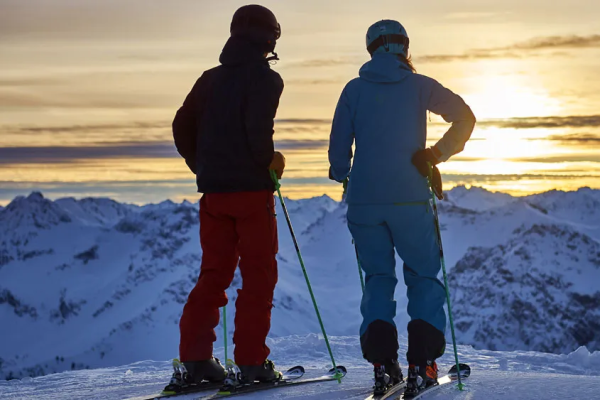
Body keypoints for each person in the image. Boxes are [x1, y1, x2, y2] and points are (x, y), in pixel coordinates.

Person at [328, 20, 476, 395]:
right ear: (404, 48)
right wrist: (435, 155)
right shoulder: (421, 85)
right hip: (410, 198)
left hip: (364, 202)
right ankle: (422, 364)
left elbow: (337, 153)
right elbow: (465, 117)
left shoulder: (354, 90)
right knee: (423, 277)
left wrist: (344, 172)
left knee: (378, 279)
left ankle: (383, 365)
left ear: (371, 49)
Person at [170, 4, 286, 389]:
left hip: (214, 194)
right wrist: (271, 160)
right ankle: (252, 363)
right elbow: (258, 132)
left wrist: (201, 165)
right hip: (252, 192)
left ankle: (196, 360)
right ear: (268, 38)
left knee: (213, 274)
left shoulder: (209, 79)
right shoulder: (267, 80)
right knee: (258, 276)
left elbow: (181, 124)